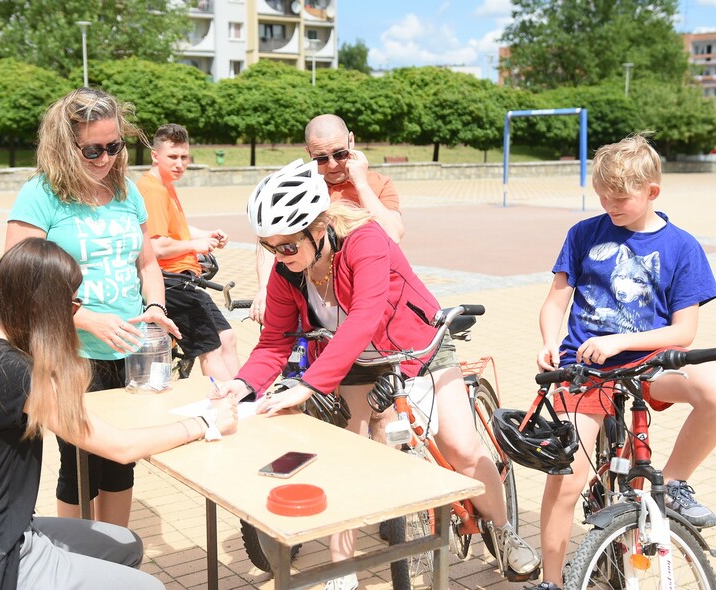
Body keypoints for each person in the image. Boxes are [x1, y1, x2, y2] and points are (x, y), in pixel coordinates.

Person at [215, 159, 540, 590]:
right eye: (269, 247)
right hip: (349, 361)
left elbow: (365, 316)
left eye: (287, 246)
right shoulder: (286, 272)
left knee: (462, 448)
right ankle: (342, 570)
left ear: (319, 227)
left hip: (414, 347)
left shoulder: (364, 240)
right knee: (349, 455)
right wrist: (240, 386)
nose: (279, 257)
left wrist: (310, 383)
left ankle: (502, 530)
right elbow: (274, 341)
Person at [0, 237, 236, 590]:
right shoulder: (12, 371)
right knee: (150, 587)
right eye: (71, 305)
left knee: (123, 544)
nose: (73, 314)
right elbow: (119, 448)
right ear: (41, 306)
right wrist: (204, 422)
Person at [528, 133, 716, 590]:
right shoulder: (584, 233)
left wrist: (621, 341)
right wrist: (549, 339)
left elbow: (683, 332)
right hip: (585, 370)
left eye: (620, 198)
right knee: (567, 478)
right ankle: (551, 582)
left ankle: (676, 483)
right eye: (602, 196)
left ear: (652, 192)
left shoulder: (682, 247)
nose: (610, 206)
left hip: (649, 366)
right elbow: (554, 302)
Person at [5, 87, 180, 528]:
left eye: (114, 146)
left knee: (123, 459)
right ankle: (79, 558)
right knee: (79, 465)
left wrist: (155, 306)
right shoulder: (40, 195)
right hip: (70, 352)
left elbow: (148, 264)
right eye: (91, 150)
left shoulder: (125, 192)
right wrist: (84, 317)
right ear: (65, 145)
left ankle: (116, 557)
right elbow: (18, 282)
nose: (105, 159)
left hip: (130, 350)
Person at [249, 113, 403, 325]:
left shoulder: (378, 184)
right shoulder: (298, 189)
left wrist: (361, 183)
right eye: (321, 158)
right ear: (308, 152)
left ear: (352, 140)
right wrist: (265, 289)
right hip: (311, 295)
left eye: (340, 154)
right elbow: (272, 239)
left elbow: (392, 236)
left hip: (366, 294)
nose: (331, 165)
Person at [136, 123, 239, 380]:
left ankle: (244, 397)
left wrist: (206, 235)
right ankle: (226, 404)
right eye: (172, 157)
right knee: (212, 349)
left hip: (183, 282)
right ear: (155, 155)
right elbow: (156, 246)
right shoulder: (153, 191)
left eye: (184, 157)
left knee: (228, 337)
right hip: (171, 284)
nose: (179, 163)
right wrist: (195, 246)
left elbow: (175, 229)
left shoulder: (165, 185)